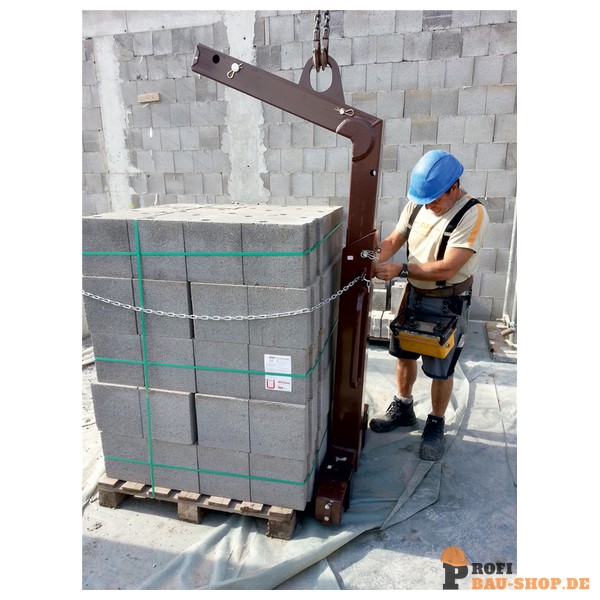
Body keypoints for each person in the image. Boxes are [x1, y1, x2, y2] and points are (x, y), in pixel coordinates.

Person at [369, 149, 489, 461]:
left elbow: (450, 267)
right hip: (415, 294)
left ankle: (435, 422)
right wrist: (372, 258)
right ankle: (403, 407)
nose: (428, 206)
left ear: (454, 187)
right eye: (424, 200)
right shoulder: (419, 203)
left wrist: (401, 269)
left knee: (440, 367)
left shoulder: (472, 214)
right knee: (403, 353)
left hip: (448, 300)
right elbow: (394, 239)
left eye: (434, 200)